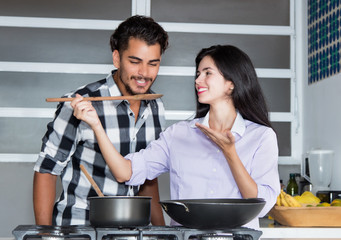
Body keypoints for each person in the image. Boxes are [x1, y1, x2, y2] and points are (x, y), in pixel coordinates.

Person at [71, 45, 281, 229]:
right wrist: (96, 125)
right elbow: (124, 173)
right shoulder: (178, 134)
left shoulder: (261, 137)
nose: (198, 80)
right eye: (198, 74)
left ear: (231, 83)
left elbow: (261, 205)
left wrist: (230, 153)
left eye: (208, 73)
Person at [33, 15, 169, 226]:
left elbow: (148, 180)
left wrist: (162, 233)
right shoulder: (79, 103)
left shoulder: (156, 108)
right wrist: (43, 234)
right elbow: (47, 171)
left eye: (153, 63)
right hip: (81, 228)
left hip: (133, 231)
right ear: (117, 58)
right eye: (135, 62)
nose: (144, 73)